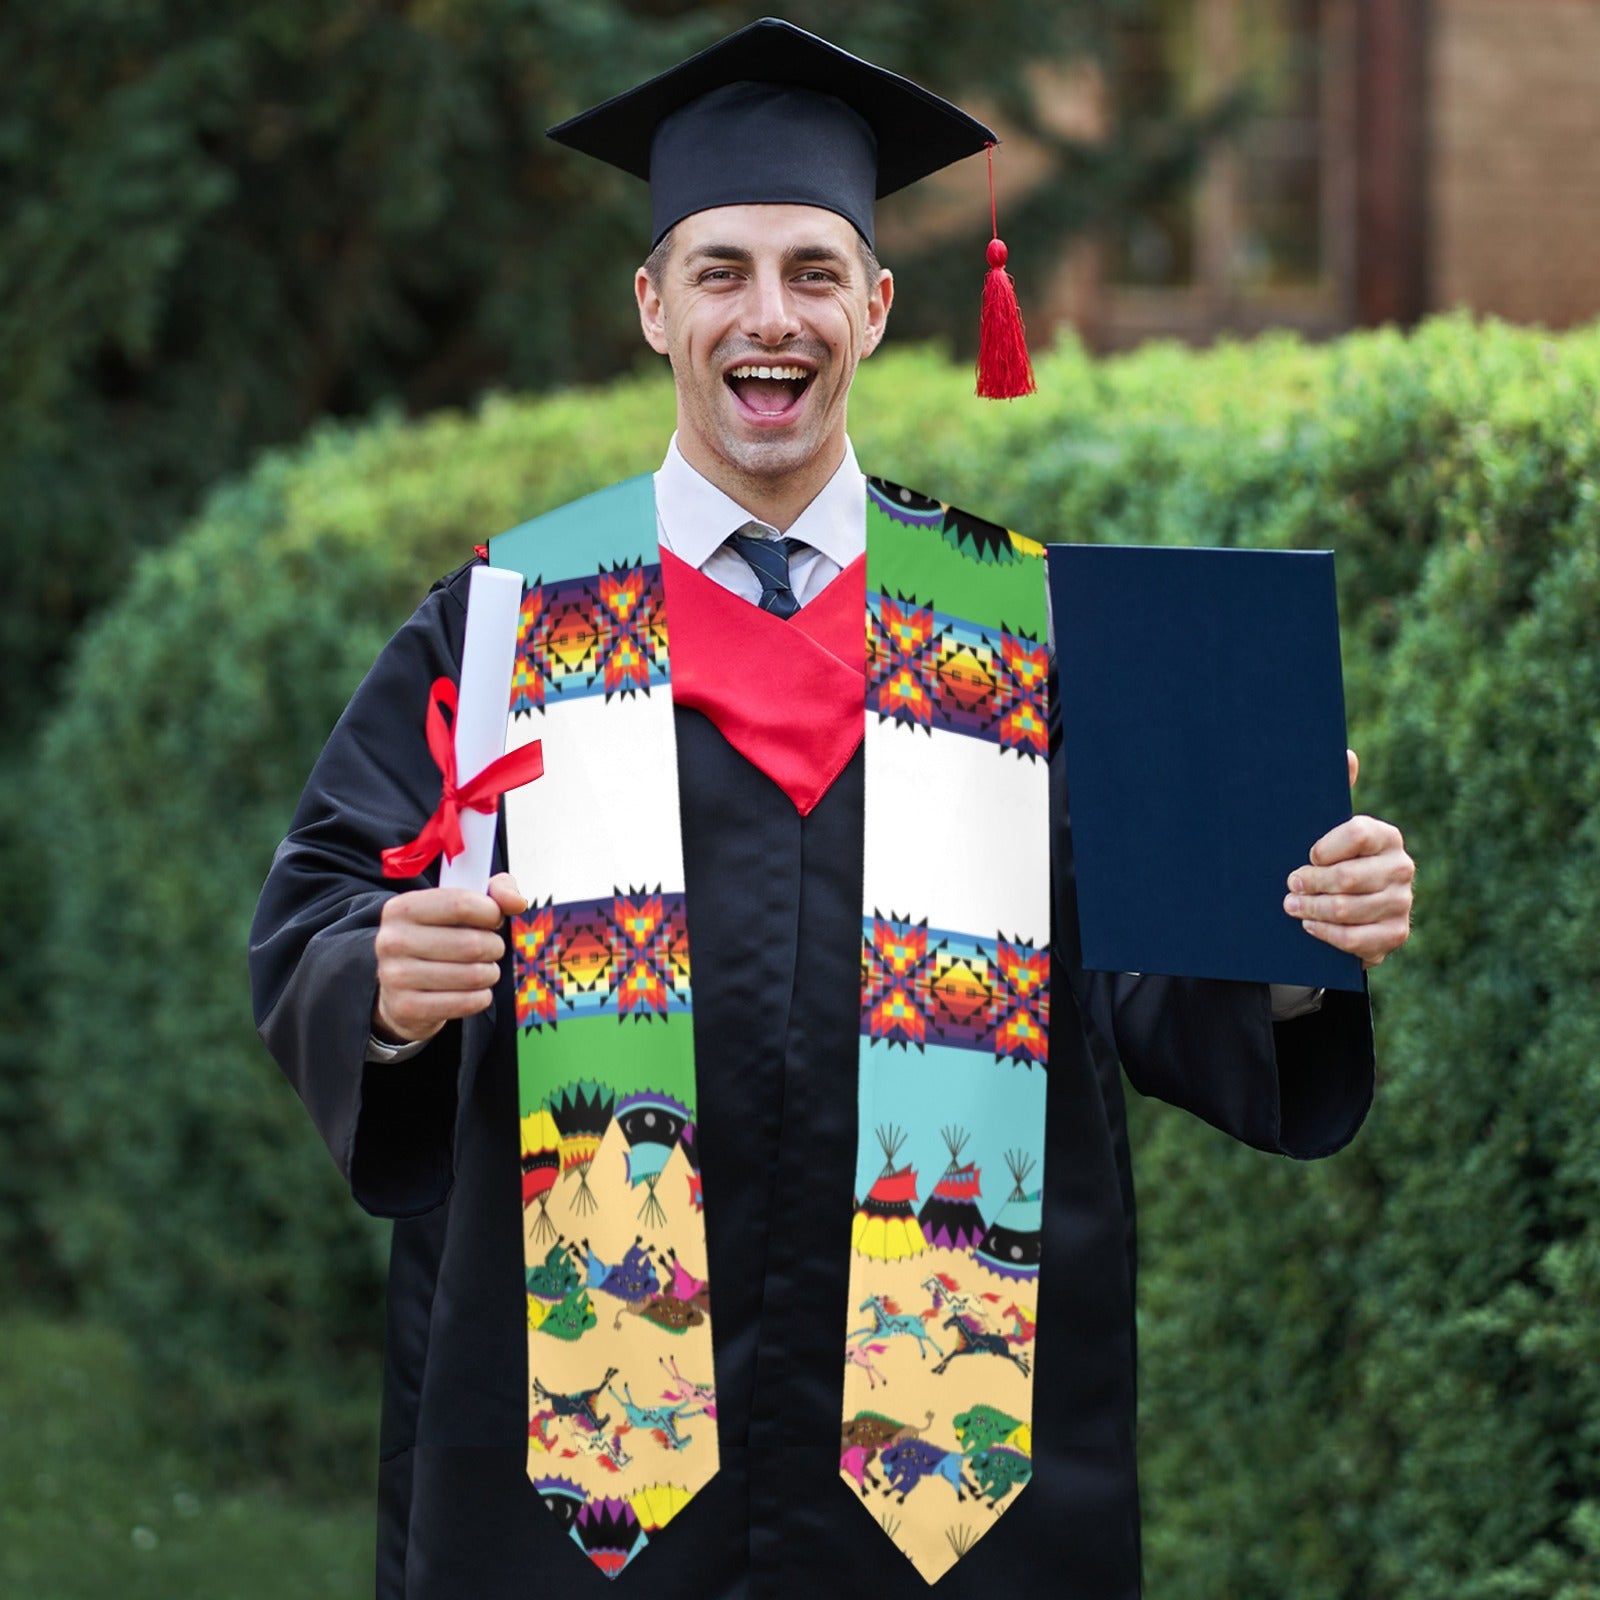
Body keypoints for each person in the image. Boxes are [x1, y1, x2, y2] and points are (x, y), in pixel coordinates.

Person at [249, 19, 1414, 1599]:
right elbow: (324, 902)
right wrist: (379, 983)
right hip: (592, 1468)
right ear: (654, 305)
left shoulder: (1021, 628)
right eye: (721, 270)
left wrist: (1291, 934)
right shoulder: (513, 621)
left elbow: (1149, 977)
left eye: (812, 271)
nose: (768, 316)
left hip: (945, 1474)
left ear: (876, 305)